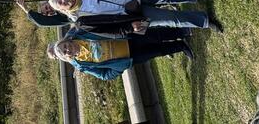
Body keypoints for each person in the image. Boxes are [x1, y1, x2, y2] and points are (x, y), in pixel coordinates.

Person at [48, 0, 220, 31]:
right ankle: (204, 21)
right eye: (60, 3)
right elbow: (108, 29)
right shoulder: (80, 20)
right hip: (131, 17)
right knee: (170, 19)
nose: (63, 1)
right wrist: (129, 27)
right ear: (62, 9)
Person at [49, 27, 194, 79]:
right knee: (156, 51)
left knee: (155, 35)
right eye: (65, 52)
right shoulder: (81, 65)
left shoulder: (80, 33)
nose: (67, 49)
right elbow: (104, 75)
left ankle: (182, 31)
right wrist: (118, 68)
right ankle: (180, 46)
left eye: (65, 46)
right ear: (66, 57)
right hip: (128, 57)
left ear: (66, 41)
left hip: (127, 38)